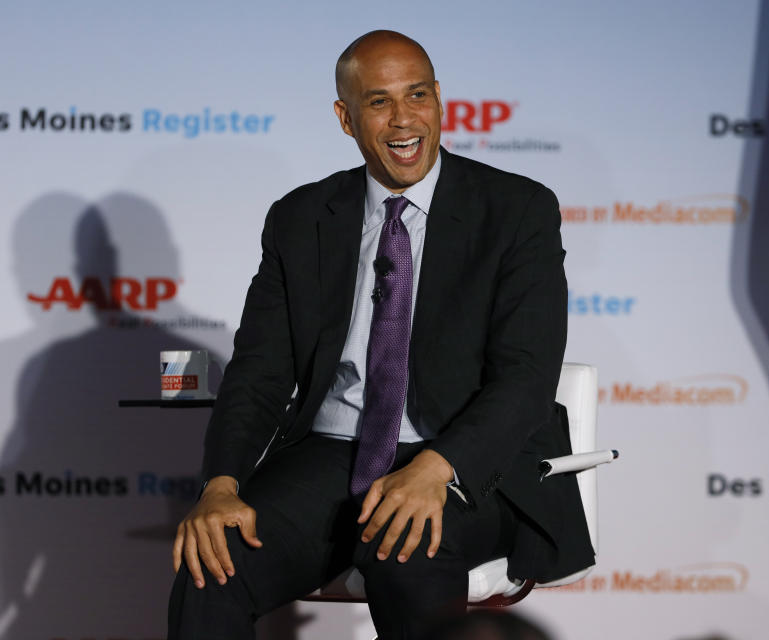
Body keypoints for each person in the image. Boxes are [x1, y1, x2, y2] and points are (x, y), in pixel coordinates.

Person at [167, 29, 594, 640]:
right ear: (346, 117)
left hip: (464, 463)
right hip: (331, 454)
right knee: (214, 563)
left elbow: (525, 379)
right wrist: (220, 484)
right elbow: (260, 369)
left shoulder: (516, 208)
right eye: (379, 101)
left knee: (406, 554)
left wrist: (437, 469)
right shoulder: (301, 217)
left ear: (440, 99)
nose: (404, 119)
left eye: (417, 95)